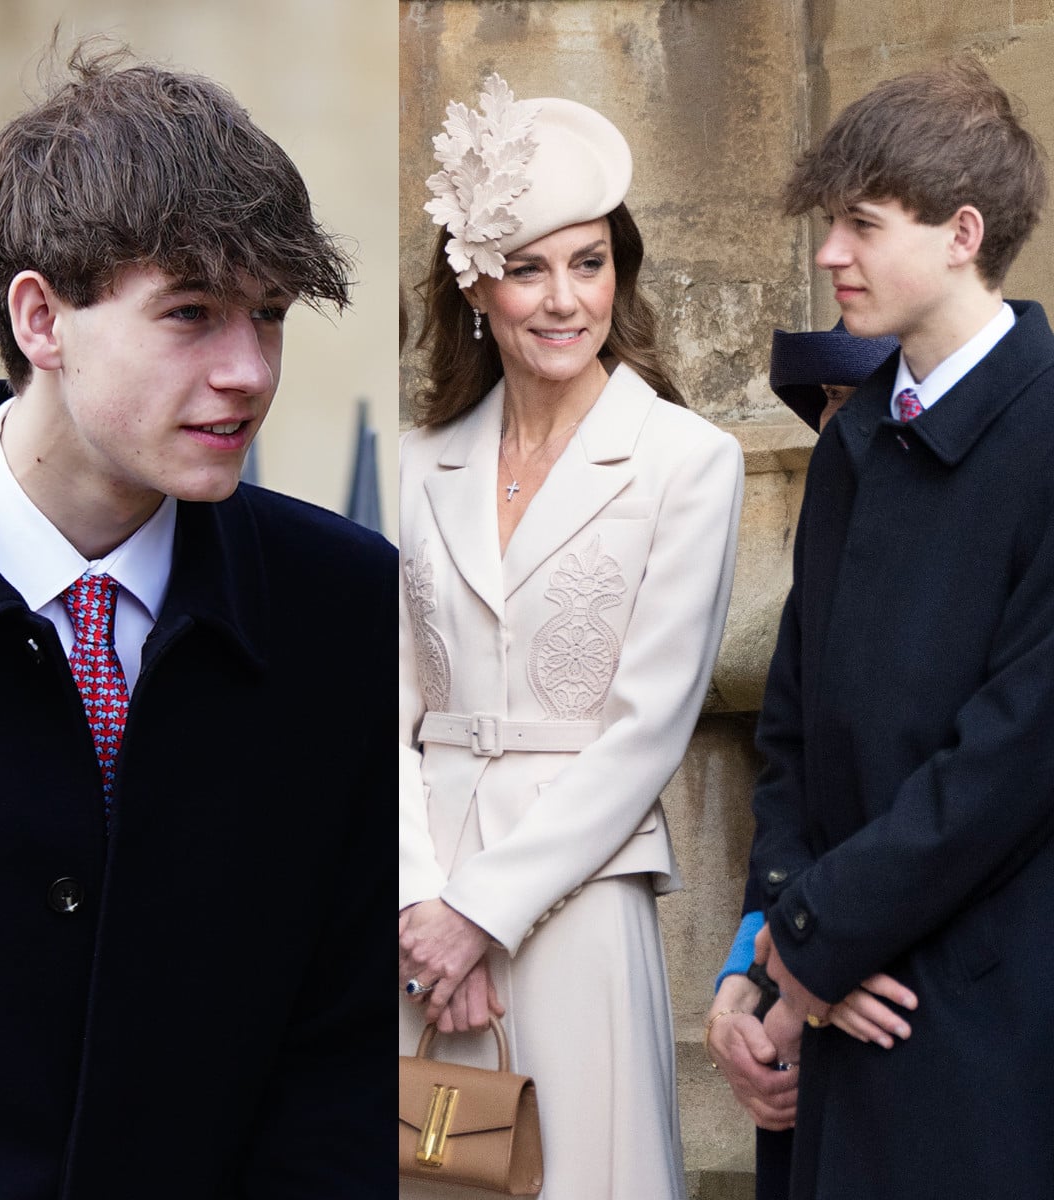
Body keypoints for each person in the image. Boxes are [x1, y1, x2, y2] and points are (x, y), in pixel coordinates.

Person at [0, 39, 395, 1198]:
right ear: (41, 319)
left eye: (271, 314)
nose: (250, 369)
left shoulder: (344, 606)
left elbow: (340, 1056)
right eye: (192, 312)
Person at [398, 74, 744, 1199]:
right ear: (475, 286)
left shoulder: (688, 461)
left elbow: (648, 730)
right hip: (418, 917)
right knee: (433, 1174)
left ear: (618, 274)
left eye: (588, 263)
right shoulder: (414, 464)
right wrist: (419, 907)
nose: (562, 299)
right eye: (528, 265)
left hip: (577, 901)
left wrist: (481, 915)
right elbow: (379, 710)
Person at [748, 58, 1054, 1196]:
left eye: (862, 225)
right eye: (833, 223)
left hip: (970, 1015)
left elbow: (1009, 762)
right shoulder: (856, 439)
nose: (831, 254)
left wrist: (825, 938)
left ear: (962, 232)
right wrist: (778, 945)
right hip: (832, 1006)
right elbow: (790, 731)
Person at [703, 320, 900, 1200]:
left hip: (925, 1005)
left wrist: (830, 957)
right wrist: (749, 977)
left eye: (864, 403)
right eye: (827, 404)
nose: (842, 429)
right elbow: (789, 766)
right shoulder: (823, 548)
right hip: (808, 991)